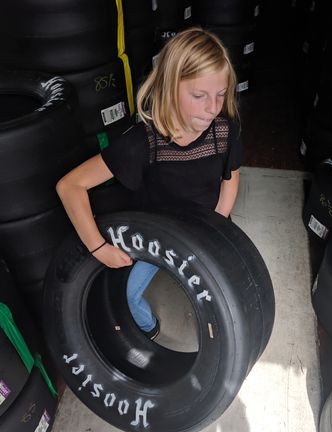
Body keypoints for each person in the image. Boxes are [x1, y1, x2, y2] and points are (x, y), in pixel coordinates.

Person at [56, 27, 244, 341]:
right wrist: (98, 247)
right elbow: (69, 186)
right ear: (170, 88)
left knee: (231, 299)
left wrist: (218, 221)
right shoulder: (141, 143)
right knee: (127, 296)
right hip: (157, 233)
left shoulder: (224, 132)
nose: (213, 107)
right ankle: (149, 332)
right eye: (199, 96)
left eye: (221, 94)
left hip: (206, 225)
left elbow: (231, 177)